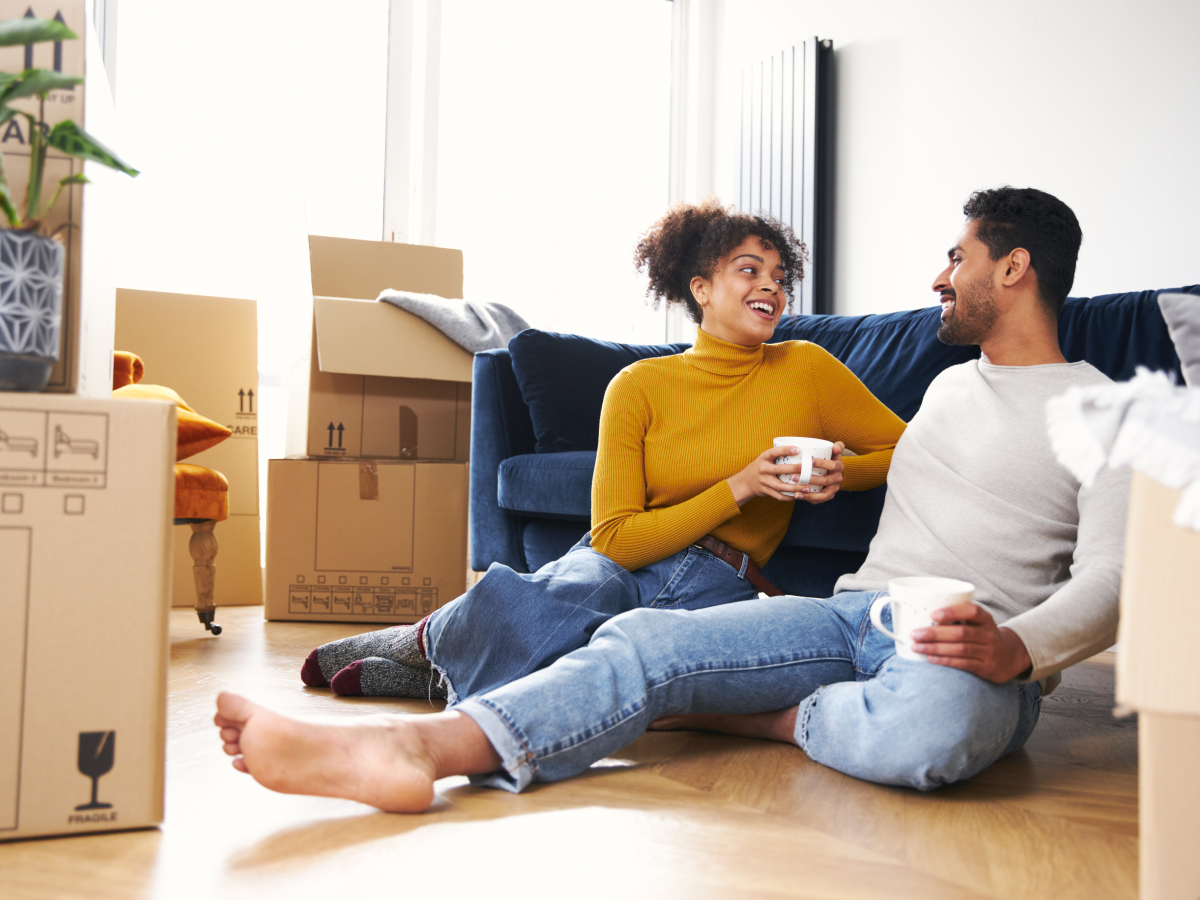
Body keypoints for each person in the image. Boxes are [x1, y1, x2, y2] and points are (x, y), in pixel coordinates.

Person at [213, 186, 1123, 811]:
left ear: (1012, 269)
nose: (937, 277)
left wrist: (1017, 648)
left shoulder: (1109, 412)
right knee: (632, 632)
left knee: (938, 732)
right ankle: (417, 750)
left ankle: (744, 711)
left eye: (955, 257)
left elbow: (1120, 576)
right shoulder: (947, 392)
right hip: (847, 615)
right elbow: (887, 457)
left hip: (967, 654)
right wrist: (825, 473)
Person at [297, 199, 906, 703]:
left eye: (778, 275)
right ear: (701, 288)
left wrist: (840, 473)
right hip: (623, 556)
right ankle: (427, 647)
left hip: (723, 574)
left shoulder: (806, 368)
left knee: (608, 643)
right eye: (750, 270)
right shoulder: (639, 385)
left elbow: (909, 448)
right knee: (584, 589)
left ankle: (432, 658)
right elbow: (614, 539)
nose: (770, 285)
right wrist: (740, 486)